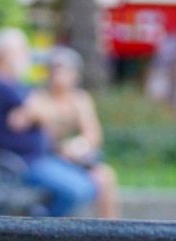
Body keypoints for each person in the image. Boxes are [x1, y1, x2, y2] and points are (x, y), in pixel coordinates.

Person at [0, 29, 98, 217]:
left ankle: (40, 228)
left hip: (35, 159)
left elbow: (41, 112)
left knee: (91, 184)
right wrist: (36, 111)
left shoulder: (12, 85)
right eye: (21, 51)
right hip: (20, 164)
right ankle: (39, 232)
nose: (27, 57)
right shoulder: (0, 87)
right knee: (80, 190)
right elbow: (22, 118)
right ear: (3, 55)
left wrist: (37, 112)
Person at [26, 47, 121, 219]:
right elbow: (43, 135)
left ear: (75, 75)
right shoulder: (39, 97)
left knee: (105, 177)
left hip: (76, 158)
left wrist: (80, 145)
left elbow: (93, 135)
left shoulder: (80, 99)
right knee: (79, 186)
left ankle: (110, 232)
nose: (58, 75)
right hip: (48, 158)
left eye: (64, 70)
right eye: (54, 69)